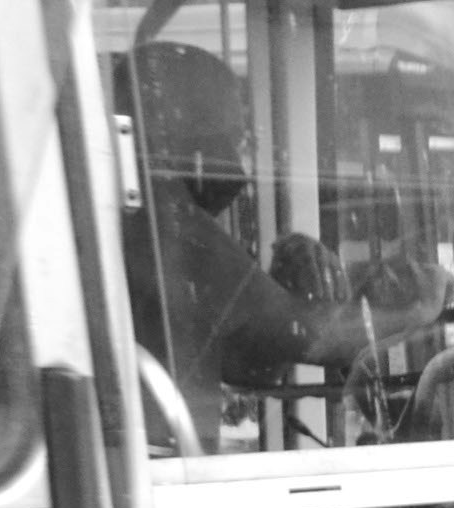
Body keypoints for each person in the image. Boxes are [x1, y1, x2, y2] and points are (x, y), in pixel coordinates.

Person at [117, 41, 437, 445]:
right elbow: (315, 339)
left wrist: (279, 291)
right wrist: (419, 309)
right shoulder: (173, 232)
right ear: (182, 132)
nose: (238, 161)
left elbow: (250, 365)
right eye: (230, 137)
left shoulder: (138, 218)